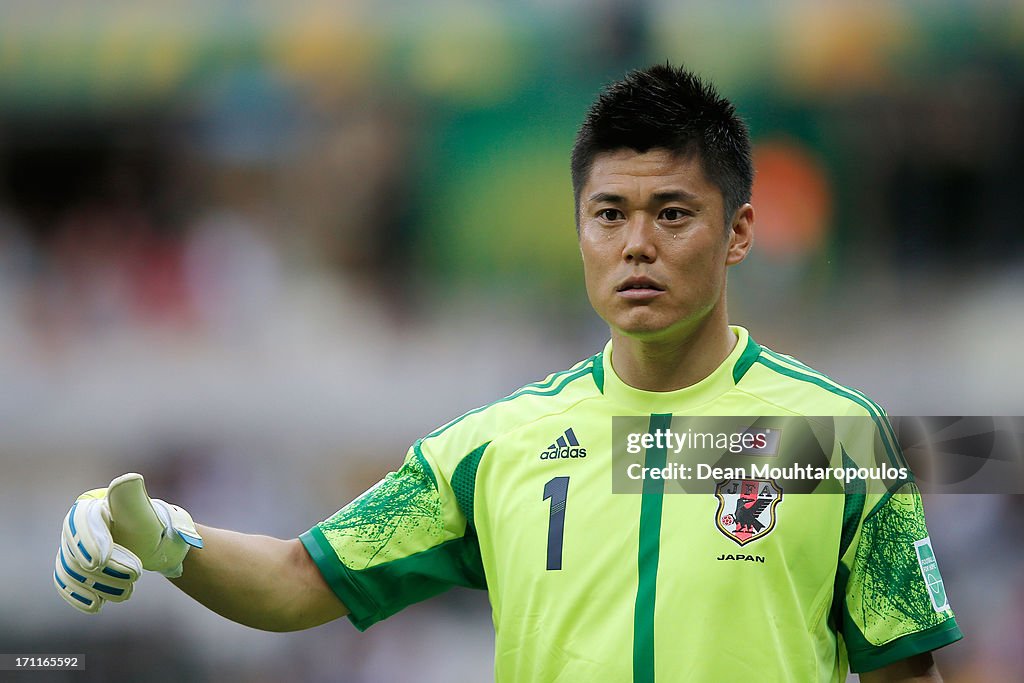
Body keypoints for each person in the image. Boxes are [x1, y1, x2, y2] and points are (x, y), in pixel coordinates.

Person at [53, 64, 962, 682]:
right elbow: (301, 576)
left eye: (673, 213)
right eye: (609, 214)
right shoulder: (498, 444)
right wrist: (161, 535)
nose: (637, 243)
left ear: (740, 232)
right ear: (578, 229)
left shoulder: (834, 437)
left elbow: (905, 670)